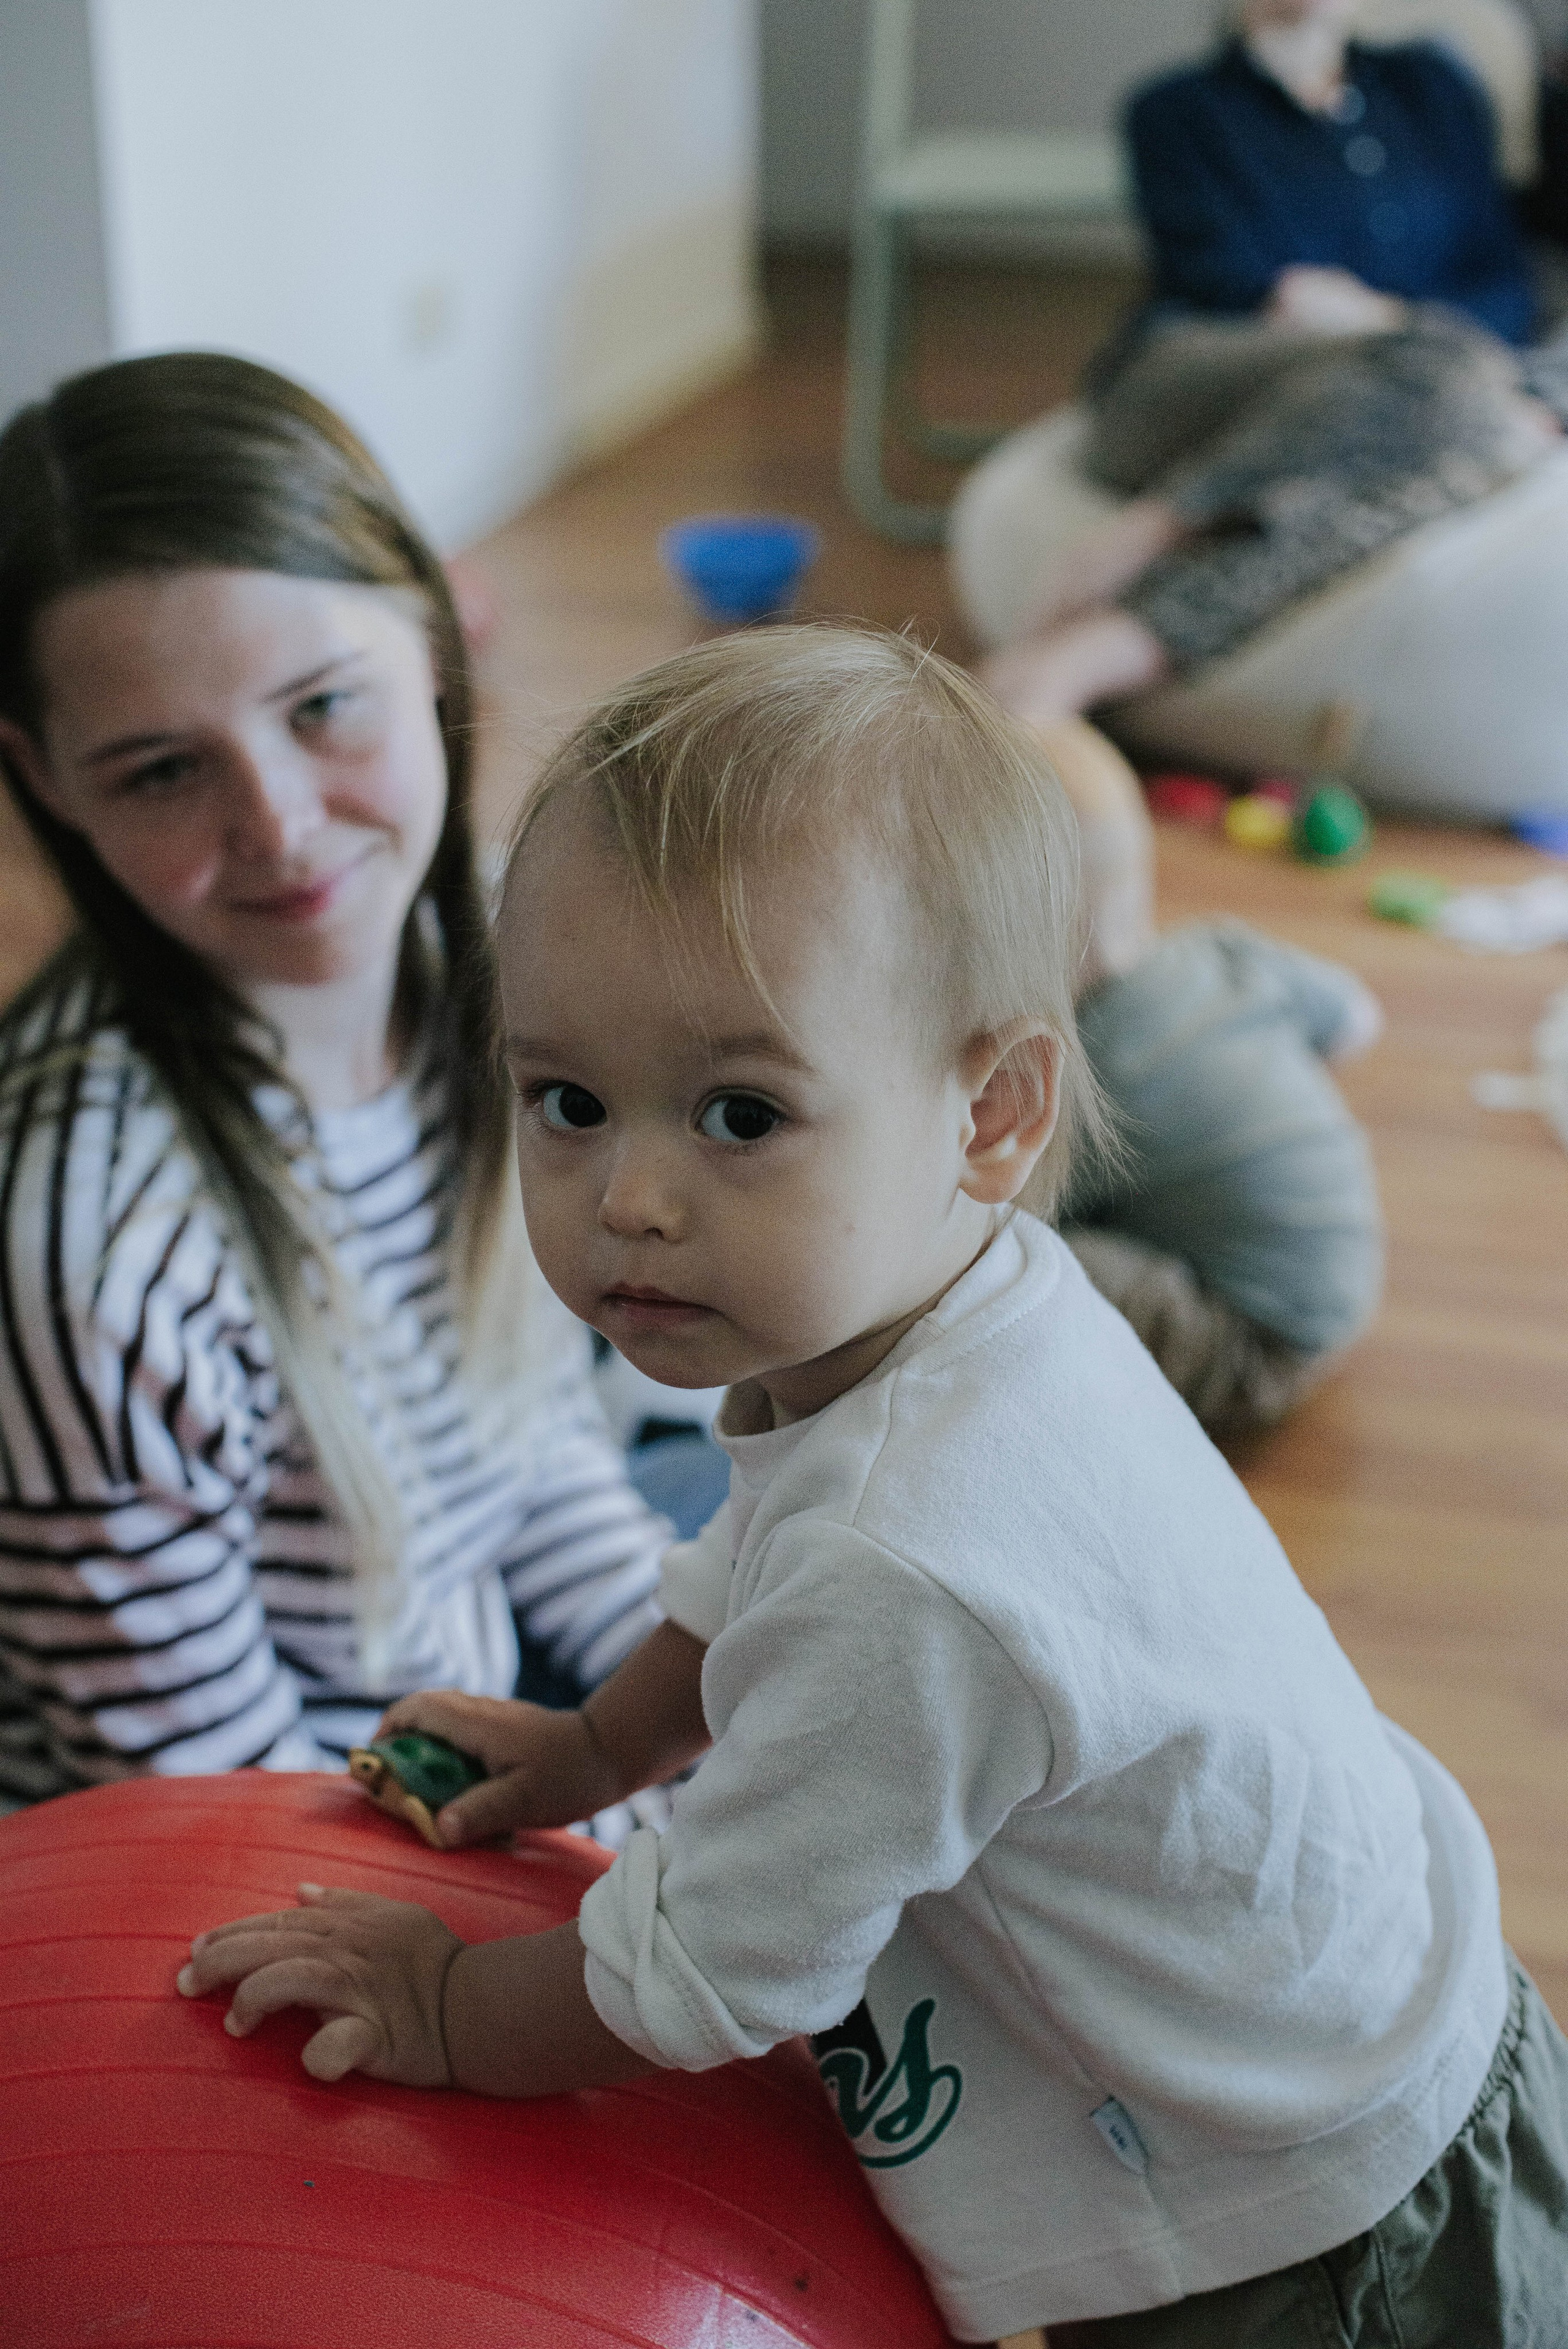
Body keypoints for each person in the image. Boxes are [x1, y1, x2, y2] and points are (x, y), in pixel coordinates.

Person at [181, 628, 1568, 2348]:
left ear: (990, 1111)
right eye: (570, 1100)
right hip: (1377, 2020)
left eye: (740, 1113)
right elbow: (759, 1543)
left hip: (1304, 2216)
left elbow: (711, 1968)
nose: (631, 1197)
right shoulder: (954, 1310)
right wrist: (606, 1745)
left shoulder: (912, 1561)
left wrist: (453, 2011)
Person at [0, 352, 700, 1830]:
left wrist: (690, 1702)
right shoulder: (91, 1256)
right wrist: (656, 1839)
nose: (281, 827)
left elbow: (528, 1450)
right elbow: (221, 1816)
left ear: (438, 635)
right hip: (285, 1866)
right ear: (48, 782)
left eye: (322, 705)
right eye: (158, 772)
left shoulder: (493, 960)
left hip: (471, 1740)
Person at [982, 0, 1568, 723]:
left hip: (1410, 398)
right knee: (1469, 406)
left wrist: (1391, 327)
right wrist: (1414, 342)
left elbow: (1503, 278)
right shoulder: (1176, 110)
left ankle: (1113, 634)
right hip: (1193, 385)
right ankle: (1165, 522)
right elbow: (1241, 285)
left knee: (1471, 411)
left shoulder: (1433, 87)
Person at [1042, 721, 1384, 1434]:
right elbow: (1355, 1018)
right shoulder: (1220, 952)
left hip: (1250, 1340)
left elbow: (1008, 1204)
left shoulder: (1087, 1076)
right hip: (1341, 1270)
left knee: (1006, 1263)